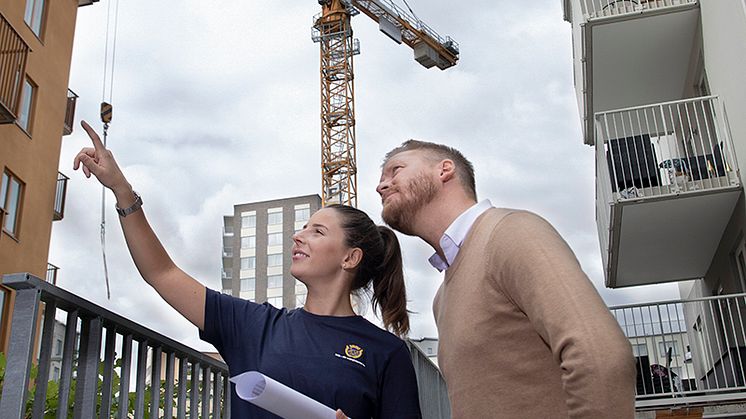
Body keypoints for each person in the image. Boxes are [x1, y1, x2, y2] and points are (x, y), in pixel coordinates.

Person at [73, 120, 422, 419]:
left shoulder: (386, 352)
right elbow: (160, 273)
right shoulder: (252, 326)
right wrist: (121, 189)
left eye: (317, 231)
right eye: (303, 227)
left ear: (350, 258)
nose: (297, 236)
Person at [376, 139, 637, 418]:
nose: (381, 185)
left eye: (396, 170)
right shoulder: (442, 298)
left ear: (445, 170)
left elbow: (600, 356)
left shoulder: (511, 233)